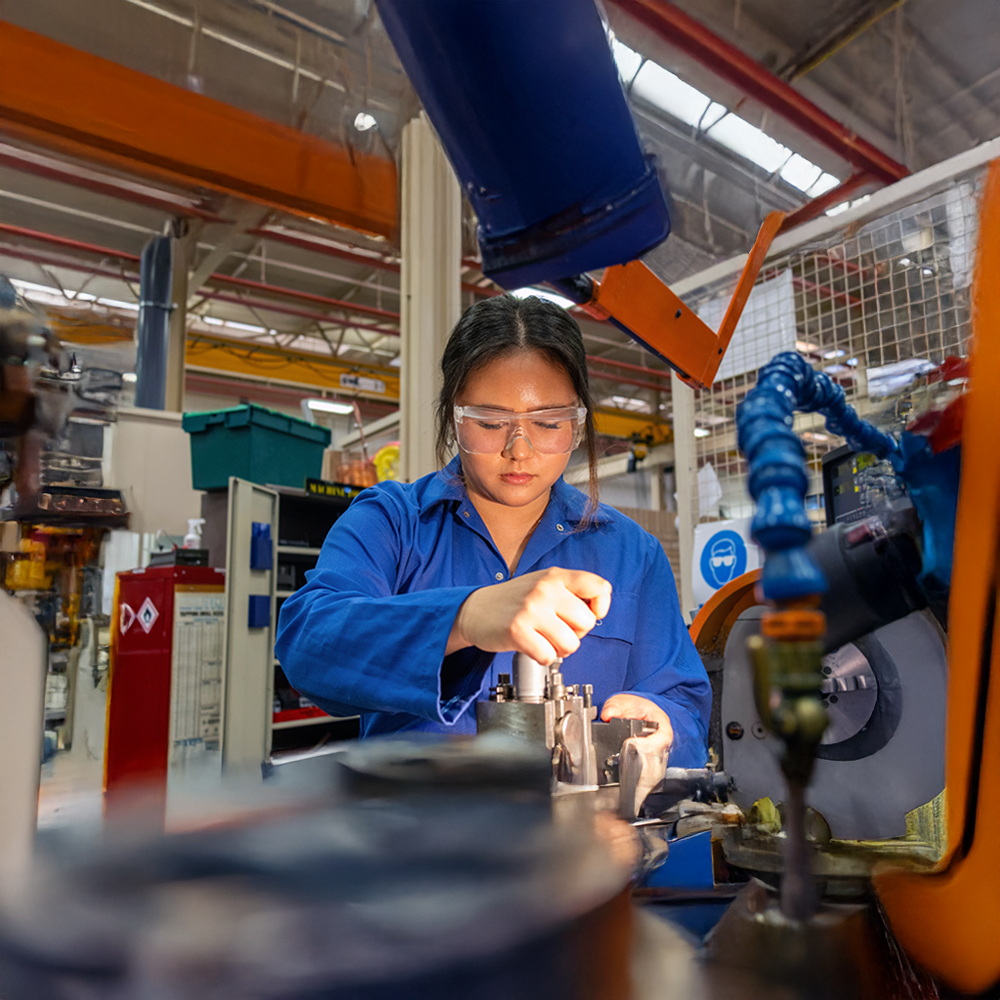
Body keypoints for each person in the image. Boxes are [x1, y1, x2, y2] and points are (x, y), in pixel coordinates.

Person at [276, 294, 711, 767]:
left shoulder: (632, 553)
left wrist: (665, 724)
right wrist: (462, 618)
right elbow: (307, 642)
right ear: (453, 417)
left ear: (578, 423)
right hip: (413, 814)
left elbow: (684, 702)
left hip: (580, 816)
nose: (519, 450)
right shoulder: (392, 521)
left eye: (548, 423)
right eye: (490, 422)